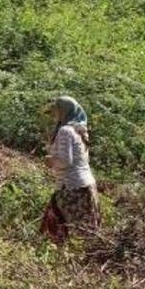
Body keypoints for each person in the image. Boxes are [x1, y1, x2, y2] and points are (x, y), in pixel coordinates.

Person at [39, 96, 100, 243]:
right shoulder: (80, 130)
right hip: (85, 186)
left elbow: (66, 161)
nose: (54, 114)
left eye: (57, 110)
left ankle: (58, 260)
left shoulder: (65, 131)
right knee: (85, 232)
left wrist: (50, 161)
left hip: (72, 188)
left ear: (64, 111)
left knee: (59, 229)